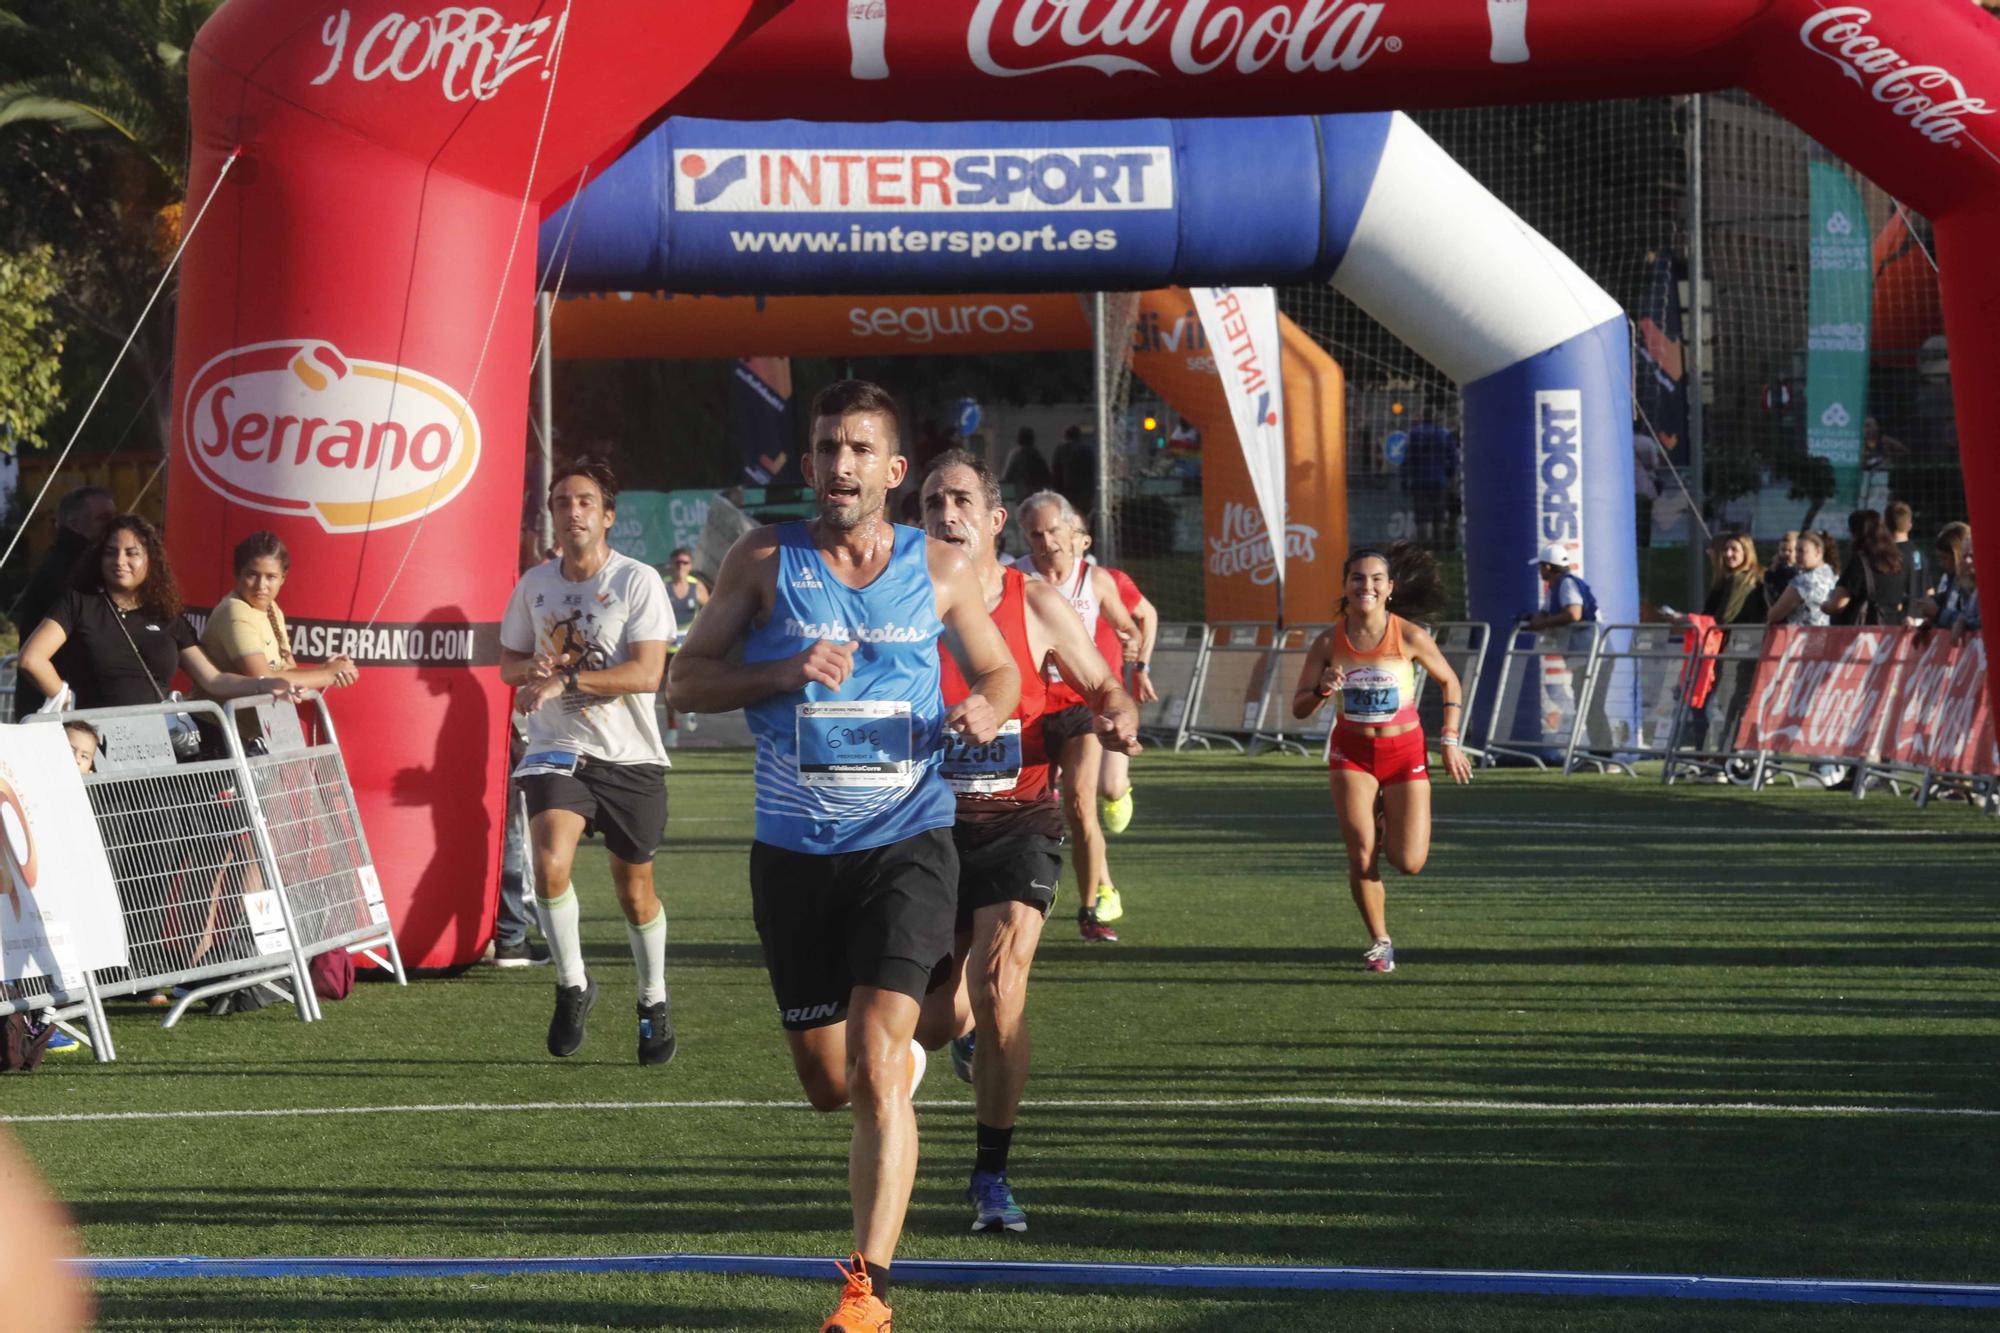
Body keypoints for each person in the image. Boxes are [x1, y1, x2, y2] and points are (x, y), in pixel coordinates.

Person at [667, 380, 1019, 1333]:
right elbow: (683, 680)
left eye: (859, 449)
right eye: (826, 448)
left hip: (905, 838)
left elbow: (998, 669)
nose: (840, 465)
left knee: (870, 1060)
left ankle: (867, 1289)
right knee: (832, 1084)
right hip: (794, 855)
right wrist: (782, 670)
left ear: (894, 471)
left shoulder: (938, 566)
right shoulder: (765, 559)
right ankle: (904, 1058)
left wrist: (985, 706)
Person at [912, 448, 1140, 1236]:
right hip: (927, 826)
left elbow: (1102, 683)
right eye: (933, 501)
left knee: (1003, 986)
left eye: (962, 500)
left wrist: (1119, 713)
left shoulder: (1035, 601)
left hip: (1018, 822)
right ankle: (960, 1031)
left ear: (993, 518)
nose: (947, 514)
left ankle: (990, 1175)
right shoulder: (901, 602)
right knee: (935, 1021)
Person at [499, 461, 678, 1066]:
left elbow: (649, 673)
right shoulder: (534, 585)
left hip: (630, 755)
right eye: (559, 502)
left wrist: (568, 676)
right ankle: (572, 984)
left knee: (636, 896)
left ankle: (652, 1001)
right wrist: (533, 675)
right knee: (549, 864)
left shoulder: (638, 581)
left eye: (583, 501)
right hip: (557, 748)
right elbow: (508, 663)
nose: (570, 511)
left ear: (607, 515)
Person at [1292, 544, 1473, 974]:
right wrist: (1322, 688)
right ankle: (1380, 941)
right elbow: (1299, 708)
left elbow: (1450, 682)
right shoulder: (1327, 641)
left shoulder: (1409, 636)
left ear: (1389, 588)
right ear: (1345, 586)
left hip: (1404, 752)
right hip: (1351, 754)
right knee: (1360, 855)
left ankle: (1388, 817)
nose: (1366, 586)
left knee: (1409, 862)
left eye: (1376, 579)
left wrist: (1449, 739)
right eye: (1358, 578)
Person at [1013, 490, 1142, 939]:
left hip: (1079, 705)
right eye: (1035, 533)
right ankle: (1014, 897)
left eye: (1052, 530)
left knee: (1080, 803)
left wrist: (1133, 655)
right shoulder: (1016, 577)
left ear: (1073, 531)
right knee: (1025, 808)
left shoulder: (1096, 580)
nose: (1046, 541)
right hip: (1029, 707)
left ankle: (1091, 908)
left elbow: (1129, 626)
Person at [16, 515, 293, 713]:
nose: (120, 562)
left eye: (131, 553)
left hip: (158, 746)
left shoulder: (167, 615)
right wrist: (70, 707)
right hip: (94, 745)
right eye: (111, 553)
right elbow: (31, 659)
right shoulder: (78, 603)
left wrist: (266, 685)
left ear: (151, 559)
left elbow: (213, 680)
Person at [199, 531, 361, 740]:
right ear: (237, 574)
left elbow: (287, 671)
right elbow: (265, 678)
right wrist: (330, 674)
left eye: (271, 577)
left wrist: (327, 667)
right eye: (252, 574)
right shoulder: (234, 610)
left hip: (252, 735)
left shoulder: (272, 609)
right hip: (218, 733)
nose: (261, 586)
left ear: (283, 578)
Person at [1076, 520, 1157, 836]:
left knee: (1108, 787)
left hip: (1108, 698)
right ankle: (1102, 885)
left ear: (1083, 541)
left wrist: (1142, 667)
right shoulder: (1034, 581)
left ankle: (1118, 791)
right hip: (1058, 700)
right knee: (1079, 801)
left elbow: (1146, 615)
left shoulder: (1108, 580)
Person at [8, 486, 115, 715]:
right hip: (57, 706)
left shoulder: (61, 562)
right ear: (75, 523)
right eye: (104, 519)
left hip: (48, 701)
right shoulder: (74, 572)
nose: (113, 526)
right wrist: (66, 700)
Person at [1824, 510, 1911, 626]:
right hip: (1890, 632)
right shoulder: (1896, 562)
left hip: (1862, 634)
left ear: (1856, 533)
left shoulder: (1860, 563)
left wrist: (1824, 606)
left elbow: (1838, 605)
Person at [660, 547, 709, 743]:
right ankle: (672, 728)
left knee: (692, 682)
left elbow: (713, 610)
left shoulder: (696, 586)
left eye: (685, 563)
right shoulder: (663, 586)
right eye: (677, 563)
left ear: (690, 566)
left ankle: (691, 708)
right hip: (668, 645)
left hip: (689, 645)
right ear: (671, 565)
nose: (681, 567)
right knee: (668, 688)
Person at [1766, 530, 1837, 626]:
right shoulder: (1831, 574)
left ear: (1818, 552)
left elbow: (1774, 615)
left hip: (1801, 637)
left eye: (1801, 551)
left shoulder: (1803, 581)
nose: (1796, 556)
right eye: (1795, 550)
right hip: (1827, 636)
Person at [1051, 424, 1096, 520]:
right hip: (1085, 491)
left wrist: (1056, 491)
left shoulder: (1061, 450)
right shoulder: (1087, 449)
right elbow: (1093, 469)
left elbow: (1056, 472)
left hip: (1067, 491)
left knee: (1068, 518)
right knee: (1084, 518)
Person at [1886, 501, 1927, 603]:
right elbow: (1930, 590)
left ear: (1885, 524)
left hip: (1893, 614)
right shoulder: (1920, 554)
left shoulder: (1883, 556)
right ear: (1910, 525)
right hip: (1919, 614)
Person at [999, 425, 1052, 493]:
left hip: (1021, 492)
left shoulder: (1015, 455)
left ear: (1019, 439)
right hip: (1036, 493)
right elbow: (1047, 477)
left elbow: (1007, 476)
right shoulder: (1038, 455)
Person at [1764, 530, 1800, 607]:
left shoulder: (1801, 571)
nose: (1786, 553)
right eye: (1783, 550)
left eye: (1790, 551)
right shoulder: (1774, 569)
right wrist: (1772, 571)